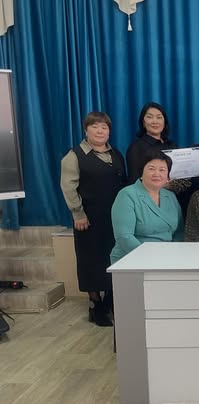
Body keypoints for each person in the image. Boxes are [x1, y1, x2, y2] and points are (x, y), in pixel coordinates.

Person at [60, 111, 126, 327]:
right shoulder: (74, 156)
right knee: (91, 260)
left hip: (114, 217)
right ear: (86, 129)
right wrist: (78, 214)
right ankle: (95, 305)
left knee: (111, 257)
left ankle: (109, 301)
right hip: (88, 218)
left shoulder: (115, 154)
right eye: (95, 127)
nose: (100, 131)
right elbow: (68, 187)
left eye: (104, 127)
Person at [110, 150, 184, 264]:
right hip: (131, 259)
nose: (157, 174)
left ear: (168, 176)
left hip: (167, 259)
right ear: (141, 172)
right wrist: (150, 258)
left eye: (162, 170)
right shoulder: (127, 195)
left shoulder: (170, 196)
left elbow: (179, 232)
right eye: (151, 169)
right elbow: (124, 237)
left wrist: (172, 255)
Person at [126, 102, 175, 183]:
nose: (155, 121)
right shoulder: (136, 147)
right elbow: (134, 181)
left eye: (159, 117)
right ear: (143, 122)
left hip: (175, 191)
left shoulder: (172, 145)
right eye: (149, 117)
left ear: (164, 122)